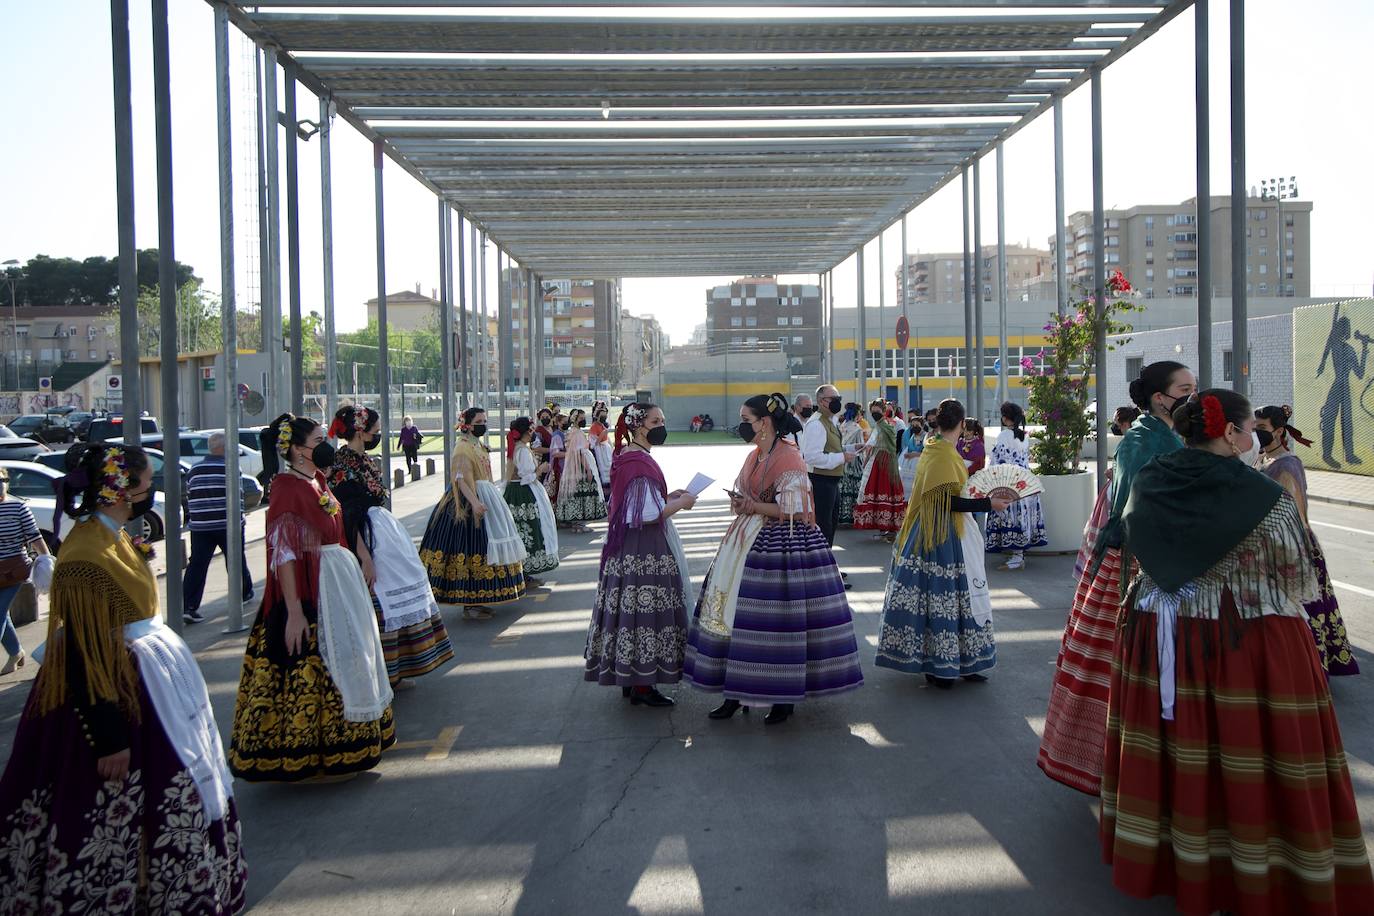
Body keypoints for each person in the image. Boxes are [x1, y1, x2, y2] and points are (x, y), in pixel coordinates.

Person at [1102, 389, 1373, 911]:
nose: (1253, 438)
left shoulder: (1152, 479)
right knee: (1251, 756)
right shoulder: (1262, 496)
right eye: (1248, 428)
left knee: (1178, 753)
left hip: (1159, 634)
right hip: (1241, 638)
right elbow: (1297, 576)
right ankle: (1253, 874)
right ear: (1228, 433)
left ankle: (1182, 866)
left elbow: (1132, 542)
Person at [0, 443, 247, 909]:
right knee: (115, 809)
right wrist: (109, 735)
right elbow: (82, 651)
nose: (150, 490)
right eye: (146, 482)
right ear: (120, 487)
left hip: (149, 687)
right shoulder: (85, 554)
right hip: (116, 698)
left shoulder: (109, 535)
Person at [1037, 360, 1194, 795]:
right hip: (1137, 563)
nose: (1192, 395)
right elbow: (1134, 511)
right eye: (1185, 388)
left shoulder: (1171, 435)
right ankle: (1121, 769)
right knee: (1123, 665)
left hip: (1165, 561)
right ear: (1160, 397)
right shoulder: (1142, 442)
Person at [230, 414, 394, 781]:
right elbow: (284, 554)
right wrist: (293, 611)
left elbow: (341, 522)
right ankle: (314, 753)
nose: (326, 444)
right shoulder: (287, 488)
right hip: (313, 587)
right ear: (299, 449)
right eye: (319, 438)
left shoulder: (316, 479)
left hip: (338, 576)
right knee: (321, 659)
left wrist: (362, 553)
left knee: (351, 651)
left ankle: (348, 741)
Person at [684, 393, 864, 725]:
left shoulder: (789, 458)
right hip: (744, 541)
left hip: (781, 545)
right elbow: (751, 495)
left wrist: (752, 507)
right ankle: (734, 692)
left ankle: (783, 697)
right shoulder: (755, 455)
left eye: (746, 420)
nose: (742, 426)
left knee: (778, 622)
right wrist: (742, 504)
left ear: (764, 423)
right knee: (734, 616)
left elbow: (794, 509)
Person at [875, 399, 1011, 688]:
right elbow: (946, 501)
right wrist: (989, 503)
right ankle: (941, 664)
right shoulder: (942, 454)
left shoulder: (935, 448)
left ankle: (960, 662)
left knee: (952, 598)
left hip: (939, 531)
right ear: (962, 425)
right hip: (940, 533)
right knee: (947, 597)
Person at [328, 405, 453, 687]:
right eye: (375, 430)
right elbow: (347, 516)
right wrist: (364, 557)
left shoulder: (363, 460)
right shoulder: (343, 465)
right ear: (360, 431)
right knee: (381, 601)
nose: (378, 434)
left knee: (397, 594)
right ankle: (382, 672)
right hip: (366, 539)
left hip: (383, 534)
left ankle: (398, 669)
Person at [585, 403, 696, 707]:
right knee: (647, 612)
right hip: (644, 547)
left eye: (663, 419)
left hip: (626, 548)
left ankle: (630, 678)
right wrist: (682, 503)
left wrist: (670, 496)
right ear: (638, 425)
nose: (662, 425)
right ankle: (643, 685)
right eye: (656, 420)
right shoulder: (638, 461)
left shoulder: (629, 456)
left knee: (629, 613)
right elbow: (647, 514)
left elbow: (641, 501)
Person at [1255, 404, 1359, 676]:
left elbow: (1296, 512)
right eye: (1255, 428)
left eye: (1262, 429)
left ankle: (1309, 669)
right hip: (1268, 544)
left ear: (1279, 431)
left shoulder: (1288, 464)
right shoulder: (1261, 457)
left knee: (1303, 610)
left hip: (1292, 545)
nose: (1257, 434)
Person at [418, 407, 527, 621]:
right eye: (479, 420)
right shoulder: (462, 447)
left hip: (485, 495)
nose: (483, 424)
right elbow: (460, 479)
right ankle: (470, 603)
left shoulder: (477, 444)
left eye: (485, 420)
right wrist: (475, 503)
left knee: (487, 545)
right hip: (468, 501)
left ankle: (479, 599)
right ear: (467, 424)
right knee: (468, 548)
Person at [181, 431, 254, 626]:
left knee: (197, 564)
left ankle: (188, 606)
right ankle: (244, 592)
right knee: (236, 560)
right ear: (224, 448)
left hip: (201, 526)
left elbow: (190, 494)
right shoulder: (231, 469)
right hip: (227, 524)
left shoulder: (194, 470)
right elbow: (238, 496)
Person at [983, 402, 1046, 570]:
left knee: (1009, 516)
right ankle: (1018, 556)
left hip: (1009, 483)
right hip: (1025, 482)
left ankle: (1016, 559)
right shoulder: (1025, 436)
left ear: (1006, 417)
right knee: (1021, 517)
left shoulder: (1004, 435)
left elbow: (998, 460)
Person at [0, 467, 49, 676]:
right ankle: (16, 652)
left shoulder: (18, 507)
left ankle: (15, 653)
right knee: (2, 615)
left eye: (2, 479)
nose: (0, 484)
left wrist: (46, 559)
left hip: (14, 571)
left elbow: (34, 536)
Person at [800, 385, 857, 560]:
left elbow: (830, 448)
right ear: (821, 402)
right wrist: (841, 457)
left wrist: (851, 448)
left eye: (838, 398)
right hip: (821, 481)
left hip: (830, 481)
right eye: (833, 399)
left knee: (830, 526)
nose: (837, 402)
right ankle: (822, 567)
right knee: (823, 527)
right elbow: (811, 457)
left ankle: (827, 565)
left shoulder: (829, 420)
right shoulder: (817, 424)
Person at [503, 416, 560, 582]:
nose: (532, 433)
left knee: (522, 529)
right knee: (529, 528)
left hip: (517, 492)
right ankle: (525, 570)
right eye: (530, 430)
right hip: (524, 493)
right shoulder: (522, 451)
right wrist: (541, 468)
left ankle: (522, 572)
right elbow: (526, 477)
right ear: (525, 433)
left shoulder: (519, 449)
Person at [1317, 312, 1369, 468]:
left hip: (1344, 388)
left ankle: (1349, 454)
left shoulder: (1350, 349)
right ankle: (1327, 454)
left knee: (1347, 423)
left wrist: (1365, 349)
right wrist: (1322, 363)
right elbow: (1328, 344)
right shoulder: (1336, 345)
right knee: (1329, 421)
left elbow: (1359, 374)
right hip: (1337, 386)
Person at [853, 400, 905, 537]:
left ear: (883, 411)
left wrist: (867, 449)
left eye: (877, 411)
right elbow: (871, 443)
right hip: (877, 459)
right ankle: (883, 525)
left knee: (886, 489)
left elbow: (886, 443)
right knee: (877, 490)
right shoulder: (879, 426)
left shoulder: (887, 425)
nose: (875, 413)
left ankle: (889, 525)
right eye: (873, 411)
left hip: (886, 460)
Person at [554, 408, 608, 533]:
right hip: (580, 466)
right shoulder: (577, 433)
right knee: (584, 491)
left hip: (573, 466)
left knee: (575, 492)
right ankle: (580, 523)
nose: (583, 420)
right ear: (575, 420)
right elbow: (579, 452)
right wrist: (588, 469)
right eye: (581, 419)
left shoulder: (572, 432)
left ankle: (576, 523)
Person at [837, 402, 867, 527]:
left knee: (843, 488)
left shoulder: (841, 426)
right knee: (855, 487)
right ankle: (854, 516)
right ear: (857, 414)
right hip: (854, 462)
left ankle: (842, 516)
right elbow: (861, 447)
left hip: (841, 460)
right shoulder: (857, 428)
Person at [897, 414, 924, 498]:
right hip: (908, 466)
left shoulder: (926, 437)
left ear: (922, 425)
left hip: (920, 466)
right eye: (912, 425)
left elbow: (927, 453)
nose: (914, 427)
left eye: (917, 425)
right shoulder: (912, 437)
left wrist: (914, 455)